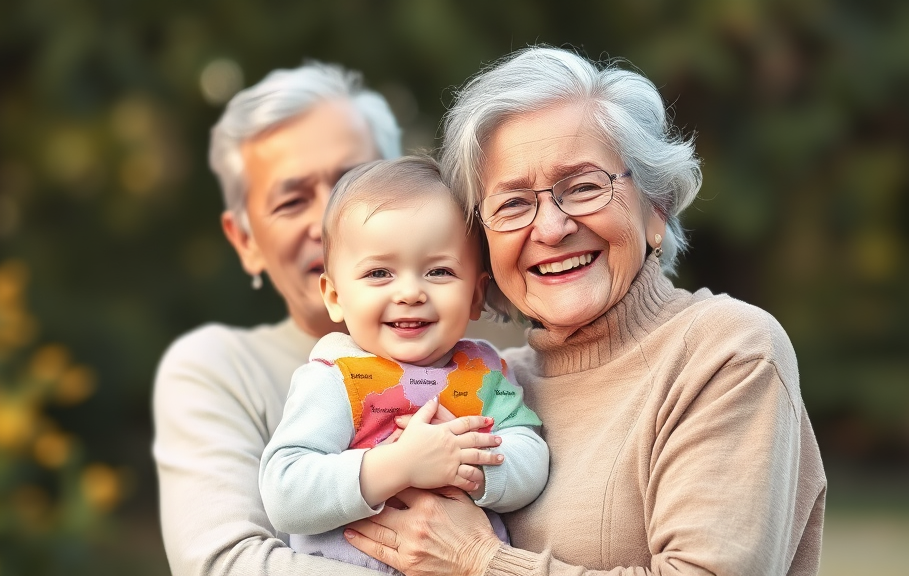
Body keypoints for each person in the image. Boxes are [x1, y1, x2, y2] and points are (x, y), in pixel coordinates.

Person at [342, 46, 828, 576]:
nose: (550, 228)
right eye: (512, 204)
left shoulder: (727, 351)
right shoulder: (490, 385)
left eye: (584, 187)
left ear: (656, 207)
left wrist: (478, 562)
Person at [152, 62, 406, 576]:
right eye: (291, 200)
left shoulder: (486, 368)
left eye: (352, 182)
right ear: (245, 241)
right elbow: (226, 564)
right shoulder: (218, 370)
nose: (326, 222)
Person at [258, 156, 549, 574]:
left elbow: (532, 453)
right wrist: (397, 466)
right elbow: (285, 490)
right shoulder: (335, 377)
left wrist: (472, 469)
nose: (410, 292)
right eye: (379, 272)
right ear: (335, 296)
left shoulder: (485, 374)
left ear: (475, 296)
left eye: (439, 271)